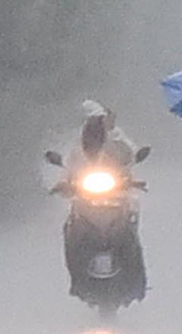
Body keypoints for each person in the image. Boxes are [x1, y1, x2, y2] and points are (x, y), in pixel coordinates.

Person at [61, 102, 147, 299]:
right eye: (97, 121)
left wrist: (131, 181)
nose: (102, 124)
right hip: (85, 198)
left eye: (104, 120)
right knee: (69, 230)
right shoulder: (78, 144)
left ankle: (136, 282)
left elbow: (130, 159)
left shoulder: (118, 139)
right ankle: (76, 280)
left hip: (117, 197)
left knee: (130, 230)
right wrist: (65, 183)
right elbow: (69, 165)